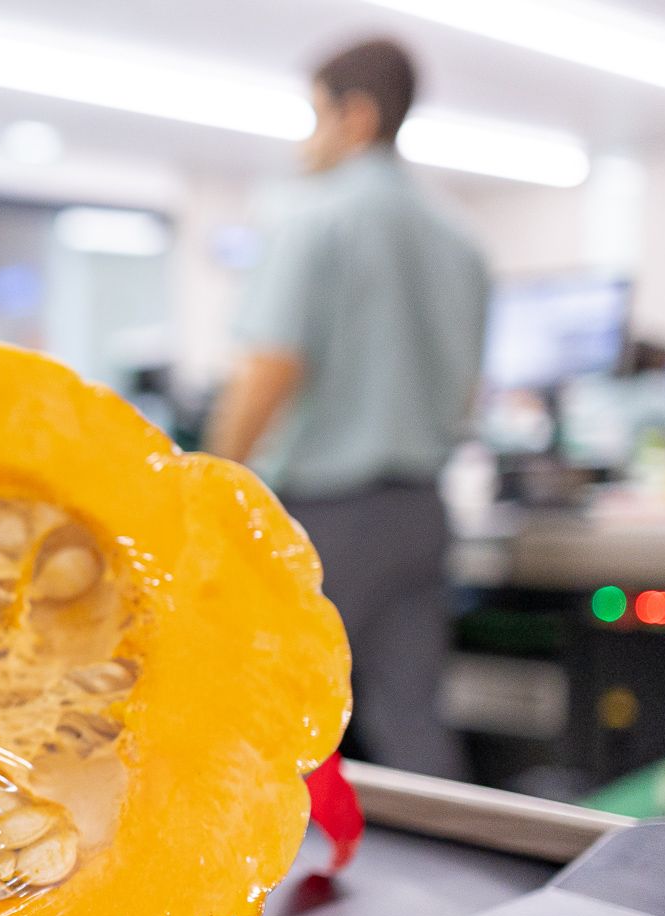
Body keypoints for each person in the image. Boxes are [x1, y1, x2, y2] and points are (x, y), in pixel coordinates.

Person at [206, 38, 490, 779]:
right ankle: (455, 892)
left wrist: (208, 485)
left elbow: (270, 368)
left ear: (356, 117)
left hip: (329, 517)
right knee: (412, 721)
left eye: (315, 116)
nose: (309, 139)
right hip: (422, 509)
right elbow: (464, 391)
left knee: (258, 714)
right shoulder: (460, 238)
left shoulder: (318, 217)